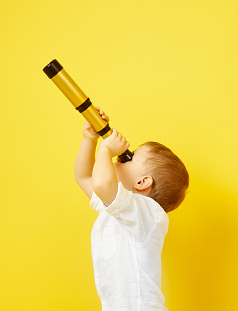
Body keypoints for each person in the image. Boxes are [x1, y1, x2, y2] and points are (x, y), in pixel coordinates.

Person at [74, 107, 189, 311]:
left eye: (131, 156)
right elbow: (84, 177)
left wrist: (106, 150)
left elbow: (101, 184)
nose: (123, 156)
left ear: (143, 182)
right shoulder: (116, 208)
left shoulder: (147, 213)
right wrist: (89, 140)